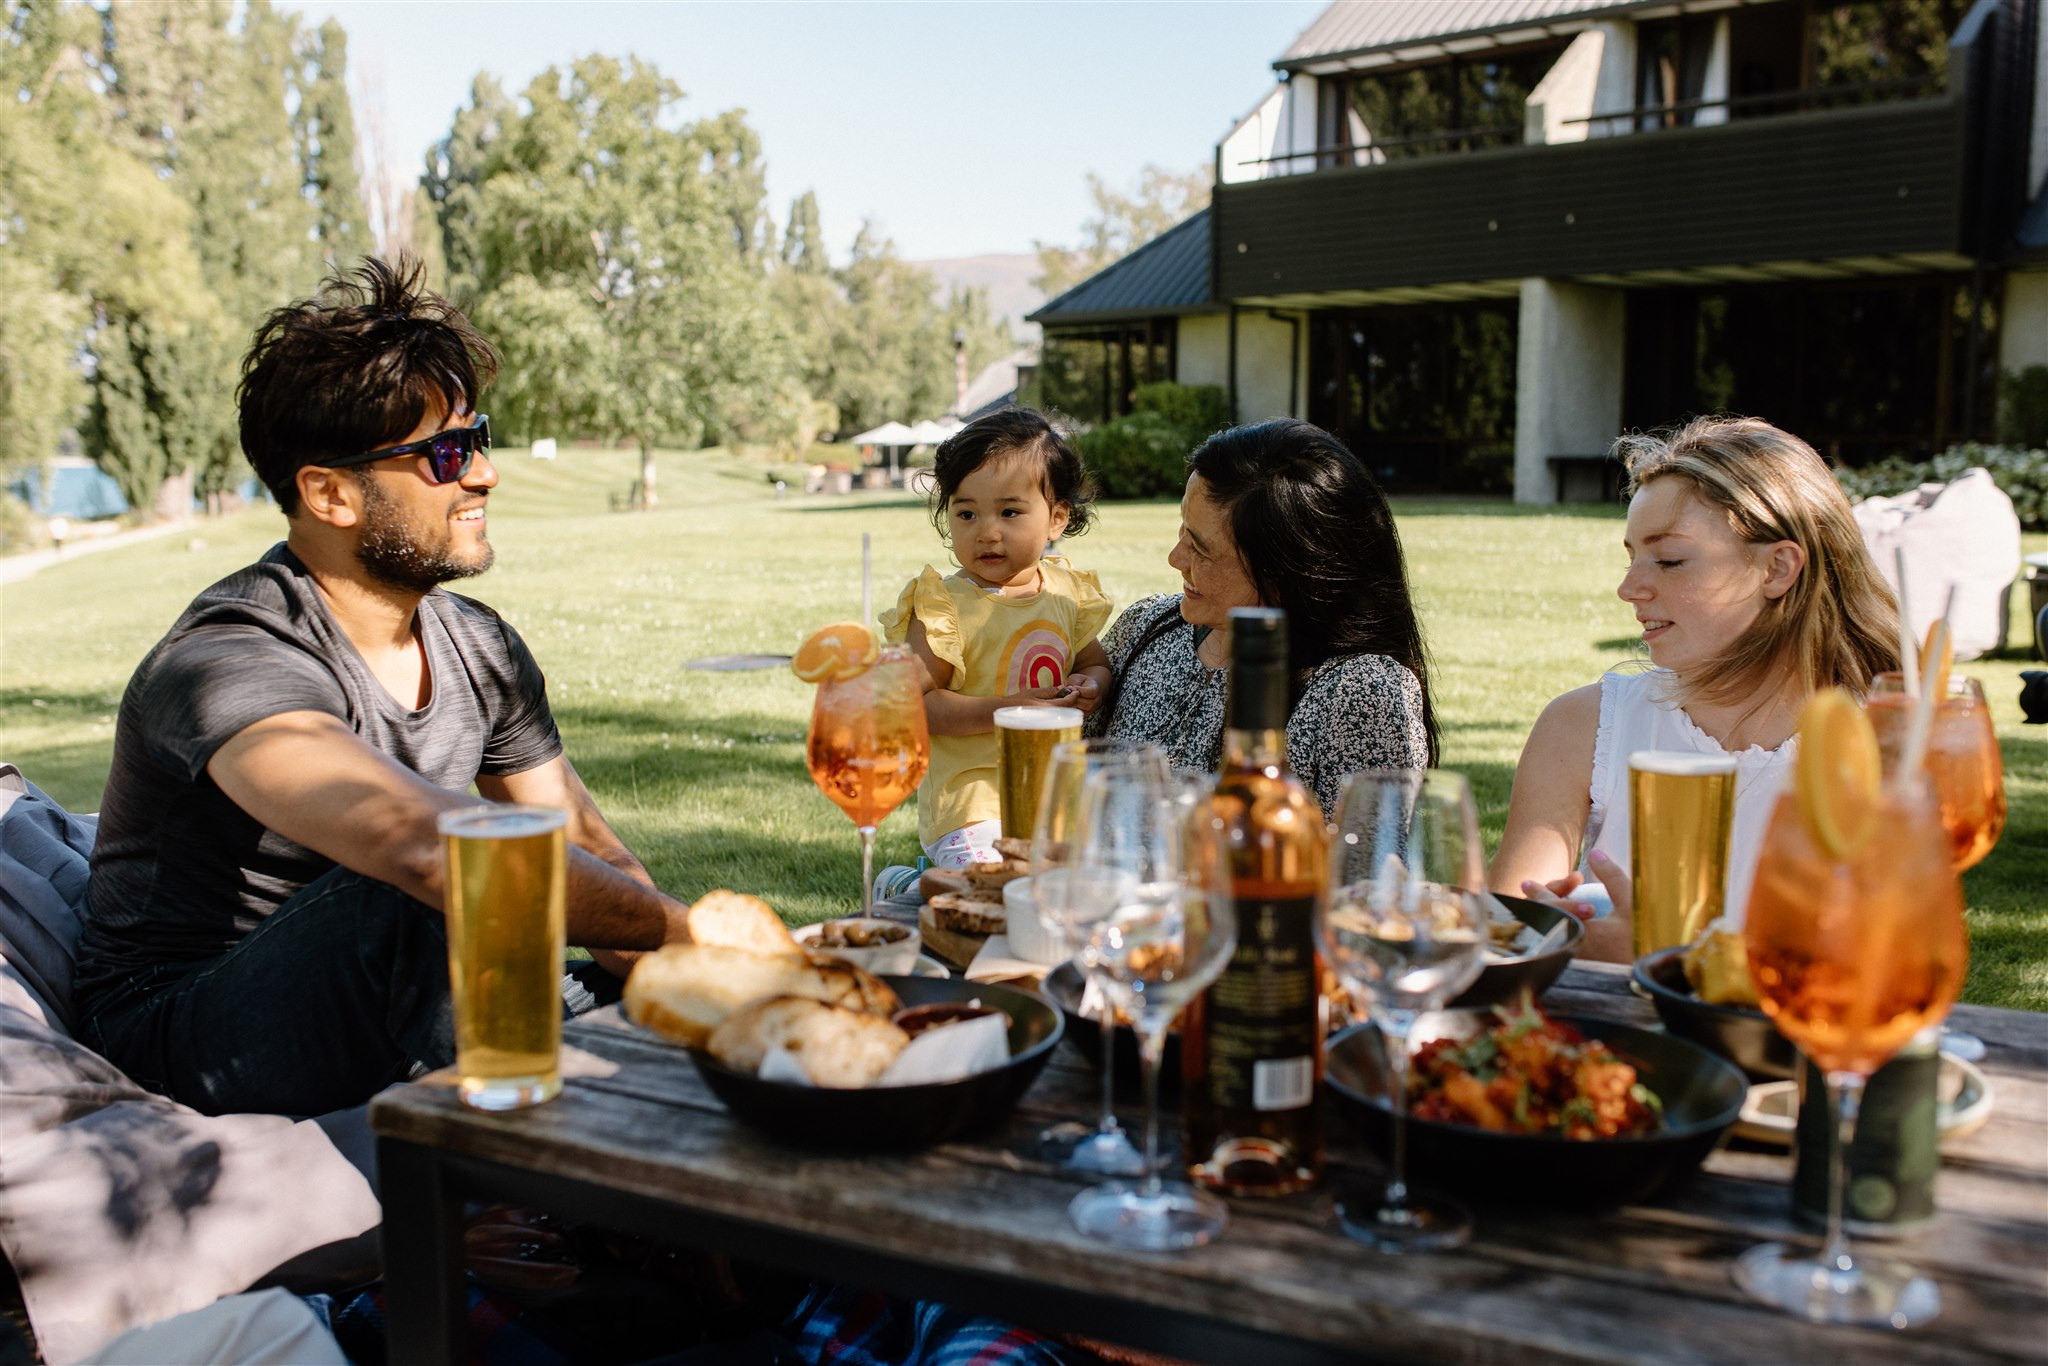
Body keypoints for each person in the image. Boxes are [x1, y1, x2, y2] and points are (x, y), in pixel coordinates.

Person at [73, 257, 691, 1117]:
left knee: (668, 1015)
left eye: (476, 440)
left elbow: (589, 846)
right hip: (184, 1029)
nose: (483, 475)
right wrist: (682, 930)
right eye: (443, 453)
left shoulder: (480, 646)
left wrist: (715, 978)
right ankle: (533, 1187)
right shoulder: (226, 661)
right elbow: (423, 852)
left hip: (399, 987)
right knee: (433, 882)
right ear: (329, 493)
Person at [1490, 415, 1899, 962]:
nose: (1629, 588)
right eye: (1631, 557)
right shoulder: (1584, 726)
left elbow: (1882, 966)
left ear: (1777, 569)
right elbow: (1500, 942)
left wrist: (1656, 951)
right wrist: (1555, 930)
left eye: (1670, 560)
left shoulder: (1885, 745)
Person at [1086, 418, 1436, 812]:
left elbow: (1369, 864)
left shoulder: (1358, 691)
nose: (1175, 559)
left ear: (1286, 573)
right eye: (1182, 529)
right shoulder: (1148, 626)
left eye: (1201, 549)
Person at [880, 408, 1114, 868]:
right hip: (970, 803)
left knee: (1070, 887)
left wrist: (1092, 686)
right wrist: (1015, 709)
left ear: (1056, 519)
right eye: (966, 512)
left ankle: (920, 884)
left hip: (1053, 792)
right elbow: (916, 707)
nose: (986, 532)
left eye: (1009, 512)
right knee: (997, 886)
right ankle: (908, 887)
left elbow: (1094, 664)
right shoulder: (944, 607)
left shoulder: (1067, 593)